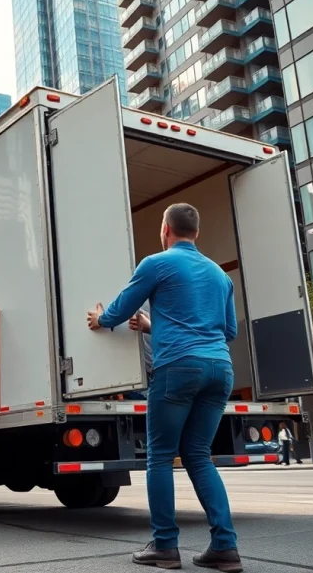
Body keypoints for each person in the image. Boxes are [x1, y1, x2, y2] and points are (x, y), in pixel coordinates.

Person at [87, 203, 243, 572]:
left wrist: (101, 318)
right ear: (197, 234)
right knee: (199, 455)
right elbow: (228, 331)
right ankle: (225, 547)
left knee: (159, 456)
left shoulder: (156, 263)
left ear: (165, 229)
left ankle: (165, 546)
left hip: (178, 369)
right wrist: (156, 324)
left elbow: (121, 309)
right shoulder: (221, 276)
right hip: (220, 369)